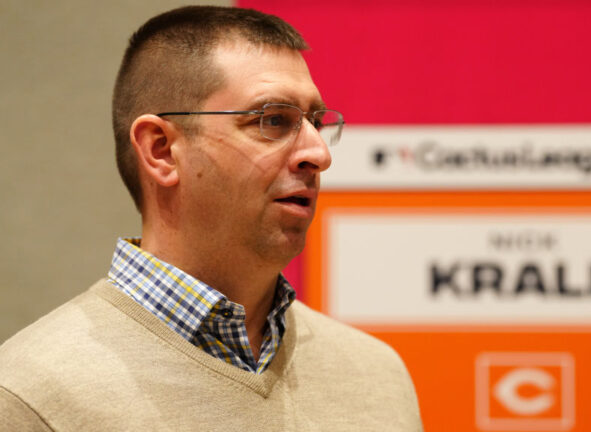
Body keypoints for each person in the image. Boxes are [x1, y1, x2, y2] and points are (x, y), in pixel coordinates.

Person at [0, 6, 422, 431]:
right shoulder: (28, 396)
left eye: (315, 121)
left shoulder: (378, 376)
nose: (319, 154)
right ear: (161, 150)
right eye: (273, 120)